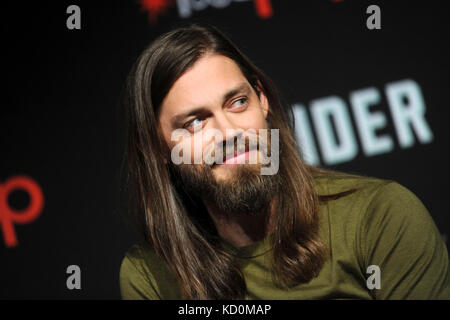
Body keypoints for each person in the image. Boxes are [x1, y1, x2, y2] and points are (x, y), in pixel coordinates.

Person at [119, 23, 449, 300]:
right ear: (154, 148)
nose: (229, 132)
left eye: (237, 102)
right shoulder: (150, 277)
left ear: (261, 99)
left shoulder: (381, 217)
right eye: (194, 123)